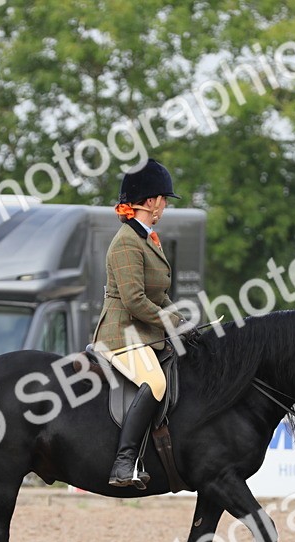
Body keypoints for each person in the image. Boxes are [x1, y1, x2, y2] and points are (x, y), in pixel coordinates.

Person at [91, 159, 195, 489]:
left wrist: (183, 321)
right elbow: (135, 300)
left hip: (145, 332)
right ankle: (123, 462)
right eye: (163, 199)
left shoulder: (147, 238)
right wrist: (172, 322)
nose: (165, 205)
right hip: (121, 333)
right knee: (156, 382)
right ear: (150, 201)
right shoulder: (126, 242)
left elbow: (158, 293)